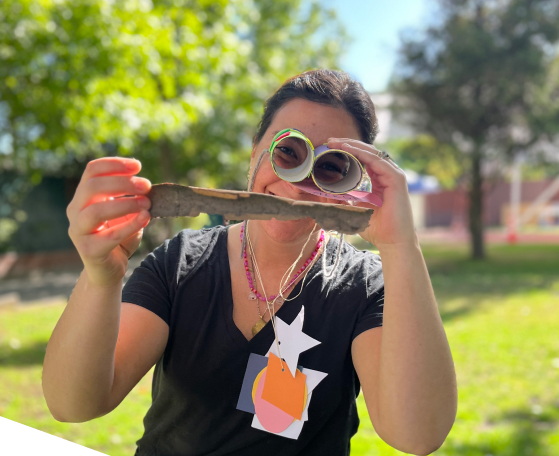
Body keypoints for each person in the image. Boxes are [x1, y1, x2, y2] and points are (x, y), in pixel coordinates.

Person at [42, 69, 457, 456]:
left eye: (331, 167)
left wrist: (401, 246)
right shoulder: (180, 263)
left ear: (354, 181)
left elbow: (416, 434)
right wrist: (101, 278)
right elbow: (73, 404)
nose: (299, 188)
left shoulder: (364, 286)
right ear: (255, 151)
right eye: (288, 152)